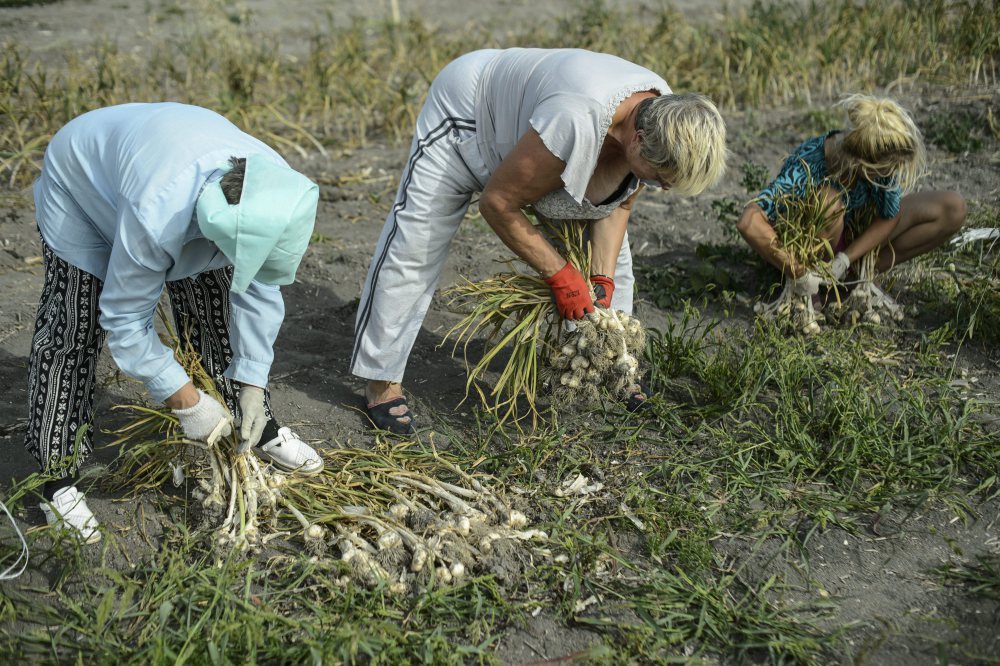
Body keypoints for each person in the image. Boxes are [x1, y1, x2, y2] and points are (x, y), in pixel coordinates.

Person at [351, 48, 728, 434]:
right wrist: (561, 276)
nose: (660, 188)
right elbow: (498, 203)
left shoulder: (665, 115)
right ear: (639, 139)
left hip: (540, 136)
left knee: (615, 270)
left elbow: (619, 204)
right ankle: (381, 380)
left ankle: (616, 366)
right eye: (659, 179)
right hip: (470, 117)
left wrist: (601, 278)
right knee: (417, 243)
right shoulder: (577, 117)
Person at [27, 102, 325, 544]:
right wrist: (187, 402)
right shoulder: (157, 213)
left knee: (214, 307)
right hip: (82, 184)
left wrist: (253, 382)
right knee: (75, 323)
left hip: (163, 158)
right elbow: (126, 320)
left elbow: (260, 287)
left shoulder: (274, 188)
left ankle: (255, 425)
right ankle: (56, 478)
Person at [737, 94, 966, 303]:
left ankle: (856, 278)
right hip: (809, 253)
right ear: (861, 162)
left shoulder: (880, 162)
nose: (890, 175)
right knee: (829, 202)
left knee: (952, 208)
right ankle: (814, 291)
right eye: (885, 170)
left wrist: (846, 258)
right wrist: (799, 272)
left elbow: (890, 214)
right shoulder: (807, 166)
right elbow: (749, 222)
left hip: (850, 243)